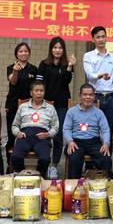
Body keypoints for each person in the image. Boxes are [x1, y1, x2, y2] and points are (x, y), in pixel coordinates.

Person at [38, 36, 76, 178]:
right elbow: (39, 84)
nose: (57, 50)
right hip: (45, 104)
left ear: (63, 50)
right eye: (55, 47)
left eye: (60, 48)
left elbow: (67, 80)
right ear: (51, 49)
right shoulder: (44, 64)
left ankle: (54, 165)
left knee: (58, 135)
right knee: (45, 133)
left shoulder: (67, 64)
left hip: (61, 104)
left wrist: (70, 66)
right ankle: (44, 163)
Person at [11, 80, 59, 178]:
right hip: (25, 136)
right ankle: (21, 175)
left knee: (45, 159)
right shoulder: (23, 107)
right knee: (16, 157)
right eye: (36, 90)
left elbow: (56, 126)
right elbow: (14, 125)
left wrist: (48, 134)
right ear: (31, 93)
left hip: (42, 137)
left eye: (41, 91)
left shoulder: (50, 108)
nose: (39, 93)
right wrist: (17, 133)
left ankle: (39, 177)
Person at [83, 26, 113, 150]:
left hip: (110, 98)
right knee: (92, 130)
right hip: (94, 98)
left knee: (108, 131)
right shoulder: (88, 56)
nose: (101, 39)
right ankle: (93, 161)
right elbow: (90, 76)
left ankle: (107, 161)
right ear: (93, 39)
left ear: (106, 38)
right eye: (98, 37)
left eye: (103, 36)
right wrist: (100, 75)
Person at [63, 84, 112, 179]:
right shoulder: (71, 112)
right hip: (76, 142)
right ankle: (74, 184)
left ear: (94, 96)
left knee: (105, 158)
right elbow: (66, 129)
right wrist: (70, 141)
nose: (88, 97)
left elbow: (105, 130)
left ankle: (103, 183)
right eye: (85, 94)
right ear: (80, 95)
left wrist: (106, 143)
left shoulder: (99, 113)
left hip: (94, 142)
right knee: (74, 158)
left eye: (90, 95)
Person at [5, 42, 39, 163]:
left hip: (29, 106)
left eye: (25, 51)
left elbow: (37, 87)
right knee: (12, 135)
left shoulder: (34, 69)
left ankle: (23, 163)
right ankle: (10, 164)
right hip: (13, 105)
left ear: (29, 53)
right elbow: (13, 82)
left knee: (26, 134)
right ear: (16, 54)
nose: (23, 53)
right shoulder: (11, 67)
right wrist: (15, 71)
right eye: (20, 51)